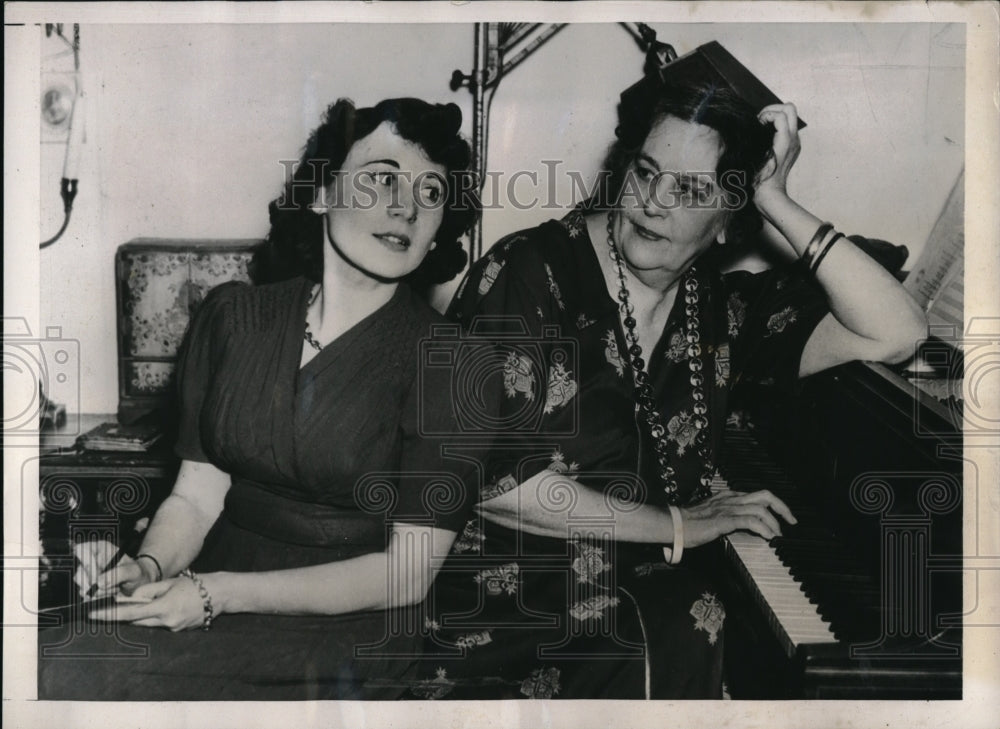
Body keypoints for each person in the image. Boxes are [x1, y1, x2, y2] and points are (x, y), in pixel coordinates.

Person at [407, 56, 928, 700]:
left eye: (689, 190)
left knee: (693, 625)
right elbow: (487, 480)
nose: (652, 203)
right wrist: (680, 525)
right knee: (686, 624)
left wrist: (774, 197)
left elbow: (898, 330)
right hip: (503, 609)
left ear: (728, 221)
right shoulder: (529, 271)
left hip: (637, 603)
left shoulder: (722, 309)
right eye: (646, 173)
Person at [39, 97, 485, 700]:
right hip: (209, 585)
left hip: (349, 625)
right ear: (323, 192)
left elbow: (408, 572)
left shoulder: (451, 361)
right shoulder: (232, 316)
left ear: (439, 230)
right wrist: (147, 569)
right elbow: (196, 499)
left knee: (77, 677)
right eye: (382, 179)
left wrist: (215, 593)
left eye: (432, 193)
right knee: (47, 662)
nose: (405, 207)